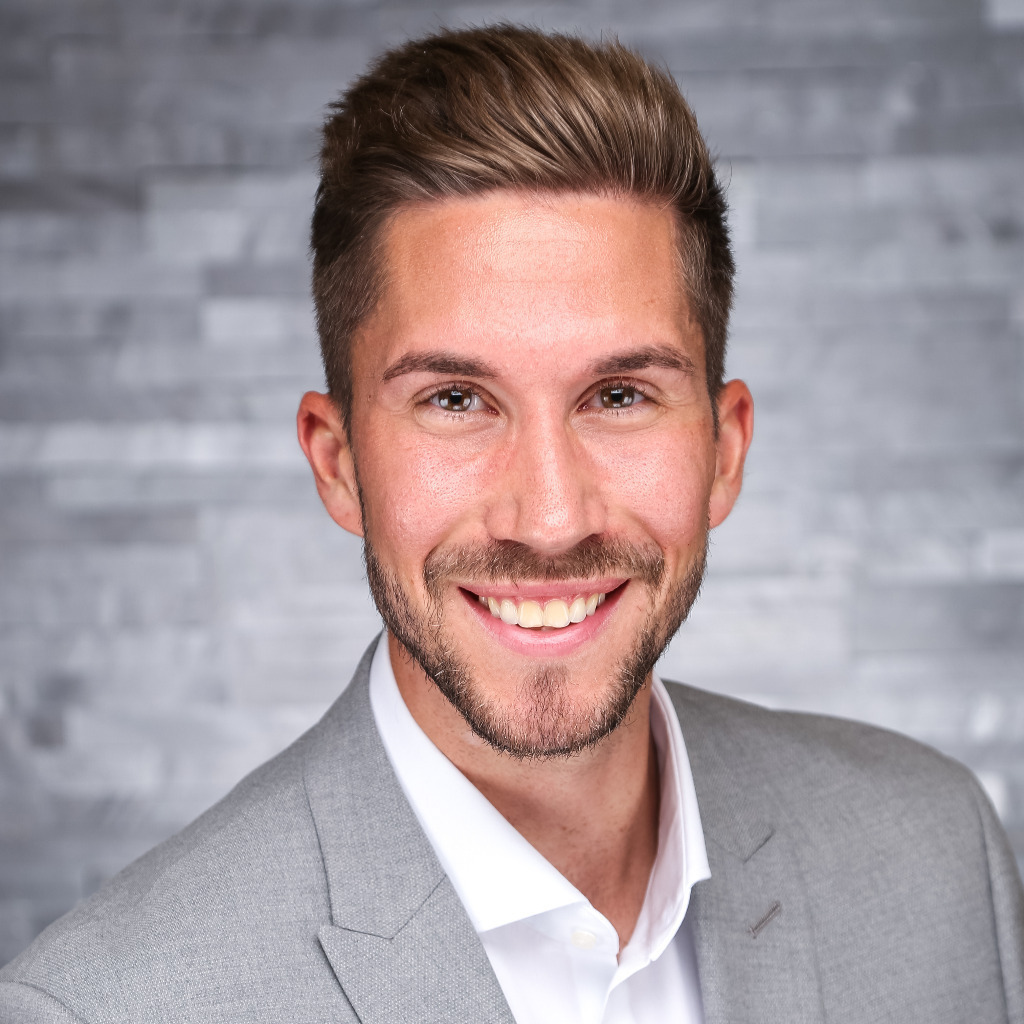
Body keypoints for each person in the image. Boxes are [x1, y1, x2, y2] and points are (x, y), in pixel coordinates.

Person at [1, 24, 1021, 1024]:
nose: (549, 519)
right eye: (455, 399)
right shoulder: (100, 1008)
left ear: (724, 450)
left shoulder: (938, 859)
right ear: (338, 462)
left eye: (618, 395)